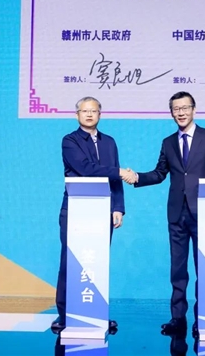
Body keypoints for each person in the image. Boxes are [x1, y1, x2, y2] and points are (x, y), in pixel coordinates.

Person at [128, 91, 205, 338]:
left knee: (204, 269)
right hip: (176, 214)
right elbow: (159, 173)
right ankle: (178, 318)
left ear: (194, 109)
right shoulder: (168, 142)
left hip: (203, 214)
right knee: (178, 269)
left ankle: (203, 318)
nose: (181, 113)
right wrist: (137, 177)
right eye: (176, 109)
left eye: (185, 108)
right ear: (171, 113)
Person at [51, 96, 134, 334]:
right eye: (84, 111)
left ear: (100, 114)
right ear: (77, 115)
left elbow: (115, 180)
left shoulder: (109, 142)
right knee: (70, 261)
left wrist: (118, 207)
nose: (89, 114)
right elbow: (86, 169)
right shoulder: (70, 141)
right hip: (75, 209)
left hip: (102, 210)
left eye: (93, 111)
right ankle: (65, 314)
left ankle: (96, 313)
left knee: (96, 262)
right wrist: (120, 171)